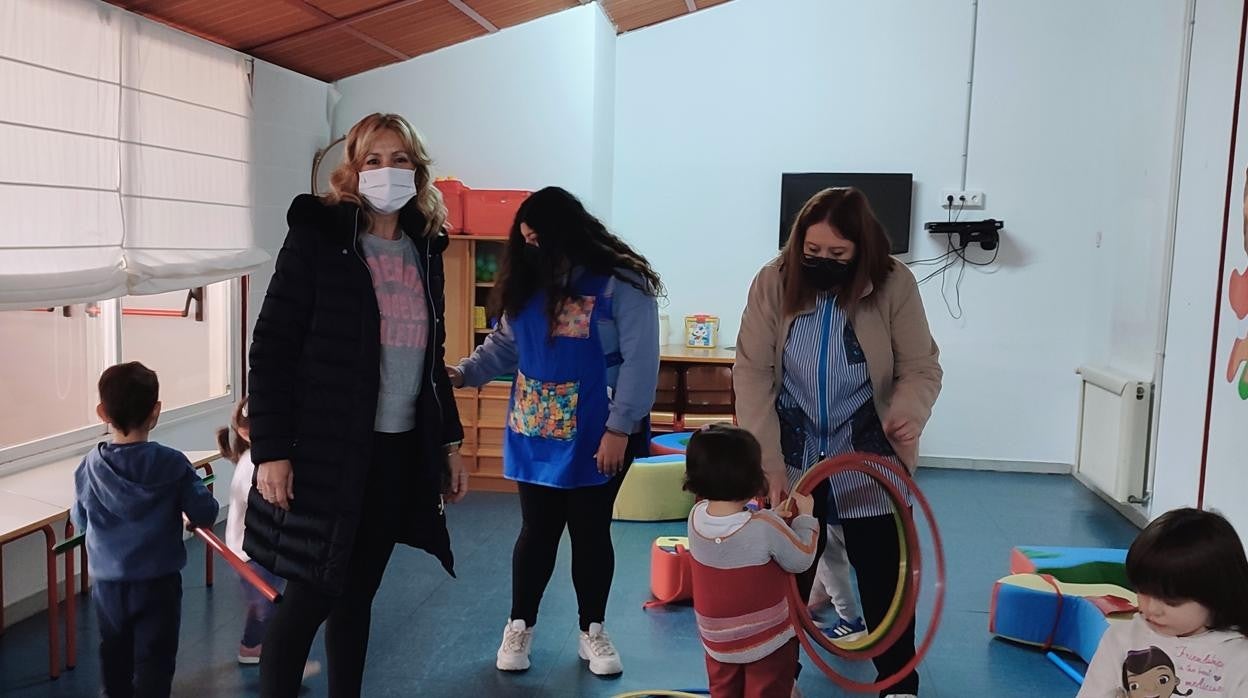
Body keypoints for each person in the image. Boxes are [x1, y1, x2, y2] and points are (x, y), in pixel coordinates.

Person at [246, 112, 467, 698]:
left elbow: (431, 355)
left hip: (394, 453)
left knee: (358, 593)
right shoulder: (320, 239)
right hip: (324, 454)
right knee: (309, 598)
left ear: (417, 171)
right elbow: (271, 346)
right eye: (373, 160)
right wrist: (270, 451)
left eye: (399, 160)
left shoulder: (425, 248)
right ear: (353, 170)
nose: (386, 171)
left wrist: (447, 443)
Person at [734, 187, 942, 698]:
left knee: (884, 577)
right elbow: (753, 372)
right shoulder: (773, 281)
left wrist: (907, 414)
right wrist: (768, 461)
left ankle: (898, 683)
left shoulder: (894, 283)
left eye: (837, 255)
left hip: (868, 451)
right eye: (813, 253)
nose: (822, 262)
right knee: (786, 577)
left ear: (861, 251)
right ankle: (780, 679)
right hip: (795, 450)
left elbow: (920, 367)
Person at [448, 186, 661, 676]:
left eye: (540, 238)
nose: (532, 249)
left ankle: (593, 631)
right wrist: (462, 373)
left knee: (590, 531)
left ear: (569, 233)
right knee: (537, 531)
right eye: (525, 240)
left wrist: (619, 429)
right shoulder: (528, 282)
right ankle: (520, 624)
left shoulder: (621, 281)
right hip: (536, 428)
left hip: (601, 430)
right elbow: (503, 348)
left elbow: (640, 362)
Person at [72, 361, 220, 698]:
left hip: (109, 585)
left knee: (115, 654)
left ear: (102, 412)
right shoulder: (171, 463)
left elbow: (80, 519)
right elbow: (204, 511)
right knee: (155, 659)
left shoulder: (88, 467)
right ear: (156, 410)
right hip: (158, 584)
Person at [684, 424, 818, 698]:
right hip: (767, 641)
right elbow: (802, 557)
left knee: (724, 692)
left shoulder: (695, 517)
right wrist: (806, 518)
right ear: (753, 479)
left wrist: (774, 520)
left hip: (718, 641)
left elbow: (739, 536)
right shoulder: (764, 525)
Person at [1078, 508, 1248, 697]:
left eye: (1171, 602)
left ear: (1216, 597)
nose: (1151, 609)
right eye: (1142, 592)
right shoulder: (1122, 638)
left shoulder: (1239, 657)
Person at [218, 398, 321, 681]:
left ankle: (251, 647)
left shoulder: (256, 459)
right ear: (244, 432)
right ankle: (284, 665)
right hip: (250, 553)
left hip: (259, 548)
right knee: (271, 606)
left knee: (263, 605)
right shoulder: (253, 465)